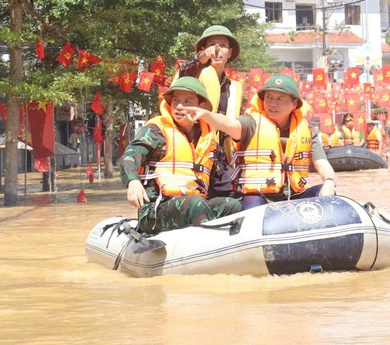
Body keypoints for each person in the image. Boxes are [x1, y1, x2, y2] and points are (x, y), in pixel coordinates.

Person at [185, 74, 337, 210]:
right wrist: (206, 115)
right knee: (253, 207)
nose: (272, 103)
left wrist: (329, 182)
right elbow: (228, 124)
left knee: (327, 193)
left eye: (280, 99)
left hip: (295, 194)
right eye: (269, 98)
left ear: (294, 103)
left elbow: (322, 163)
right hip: (259, 195)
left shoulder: (307, 130)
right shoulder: (250, 123)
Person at [119, 77, 242, 233]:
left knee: (233, 205)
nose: (179, 107)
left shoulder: (209, 141)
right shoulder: (156, 131)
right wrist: (132, 182)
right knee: (196, 204)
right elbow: (130, 156)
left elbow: (222, 180)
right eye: (176, 100)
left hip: (196, 205)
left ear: (201, 106)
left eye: (187, 102)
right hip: (156, 210)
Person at [177, 25, 244, 197]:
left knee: (234, 198)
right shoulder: (194, 75)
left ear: (230, 52)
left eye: (222, 45)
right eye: (212, 44)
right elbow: (185, 70)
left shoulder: (234, 87)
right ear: (202, 50)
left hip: (221, 155)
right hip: (193, 150)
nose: (217, 49)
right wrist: (203, 56)